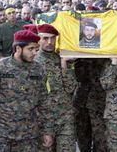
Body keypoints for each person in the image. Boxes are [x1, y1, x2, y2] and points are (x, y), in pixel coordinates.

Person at [0, 30, 53, 151]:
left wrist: (47, 131)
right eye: (30, 49)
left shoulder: (39, 69)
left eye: (36, 49)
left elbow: (45, 102)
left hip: (28, 134)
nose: (34, 53)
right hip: (0, 133)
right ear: (18, 49)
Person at [35, 24, 77, 152]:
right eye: (45, 38)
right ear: (38, 39)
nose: (50, 42)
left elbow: (70, 88)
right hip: (44, 120)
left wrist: (64, 64)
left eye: (53, 38)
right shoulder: (34, 62)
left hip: (65, 118)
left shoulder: (62, 58)